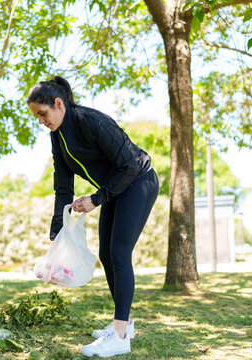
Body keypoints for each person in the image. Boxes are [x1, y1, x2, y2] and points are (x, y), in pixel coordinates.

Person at [27, 76, 159, 358]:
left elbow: (131, 164)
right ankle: (124, 323)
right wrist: (57, 235)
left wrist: (97, 199)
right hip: (115, 189)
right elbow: (63, 186)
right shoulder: (57, 137)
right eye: (37, 116)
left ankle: (120, 334)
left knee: (120, 253)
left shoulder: (91, 121)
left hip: (139, 181)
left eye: (43, 113)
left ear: (58, 104)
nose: (41, 121)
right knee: (106, 253)